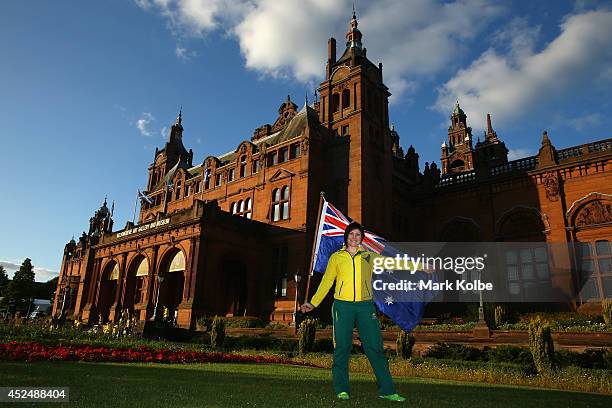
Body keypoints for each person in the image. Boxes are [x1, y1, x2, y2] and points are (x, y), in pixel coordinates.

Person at [300, 222, 406, 402]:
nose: (354, 237)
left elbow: (393, 262)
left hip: (365, 307)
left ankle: (387, 390)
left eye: (358, 235)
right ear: (346, 236)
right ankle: (342, 389)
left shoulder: (368, 256)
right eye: (351, 234)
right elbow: (327, 282)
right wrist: (313, 303)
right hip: (342, 306)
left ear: (362, 238)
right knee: (342, 347)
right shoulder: (336, 257)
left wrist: (420, 267)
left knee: (375, 348)